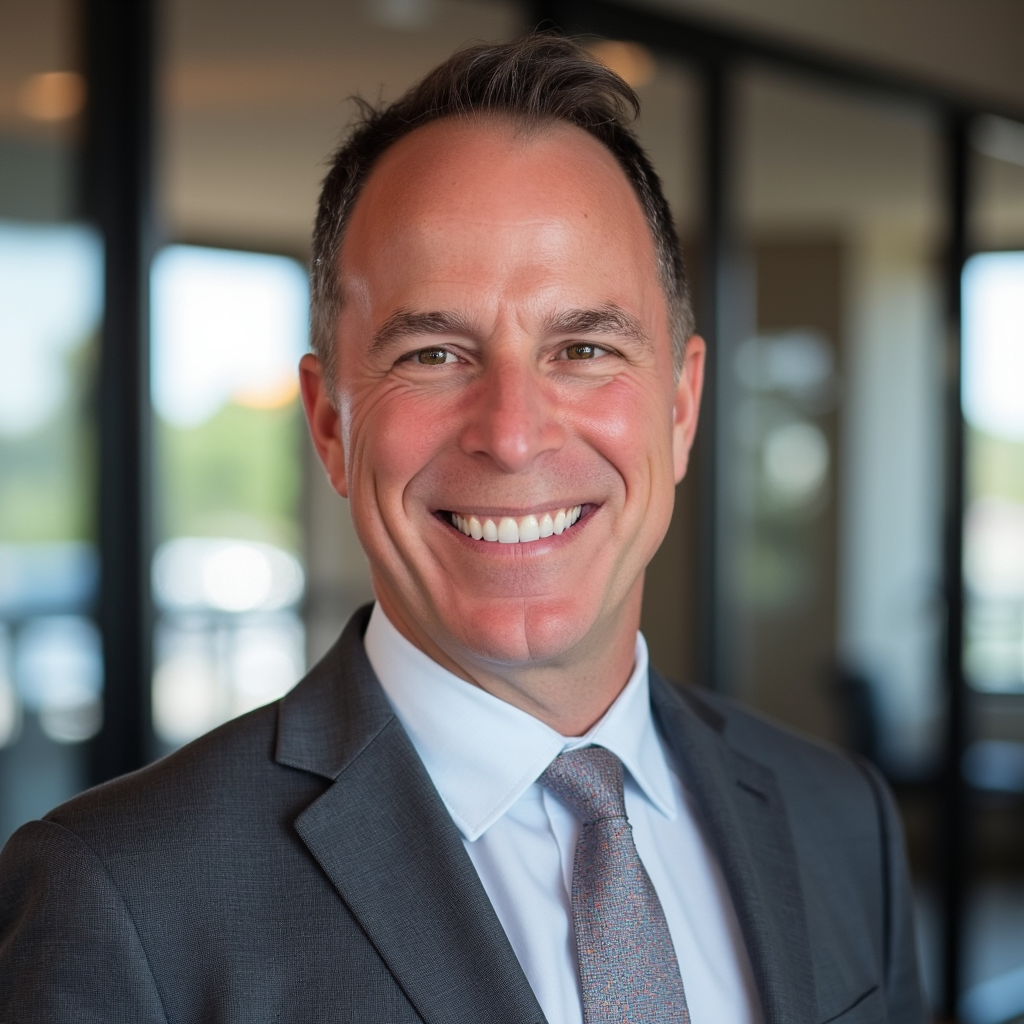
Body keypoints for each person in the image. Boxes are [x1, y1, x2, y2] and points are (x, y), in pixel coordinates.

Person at [0, 35, 924, 1024]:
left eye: (583, 345)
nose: (514, 434)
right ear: (329, 423)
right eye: (435, 352)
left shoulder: (840, 817)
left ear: (682, 406)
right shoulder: (124, 897)